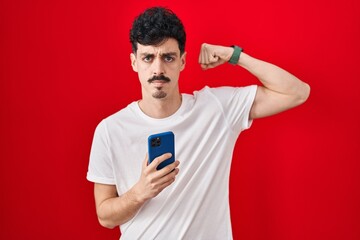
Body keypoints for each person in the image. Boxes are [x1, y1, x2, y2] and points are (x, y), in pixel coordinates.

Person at [87, 6, 310, 240]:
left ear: (182, 61)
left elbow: (297, 92)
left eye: (168, 57)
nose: (158, 69)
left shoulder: (216, 108)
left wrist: (234, 56)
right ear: (134, 62)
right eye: (148, 57)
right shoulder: (110, 130)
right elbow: (105, 217)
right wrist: (140, 192)